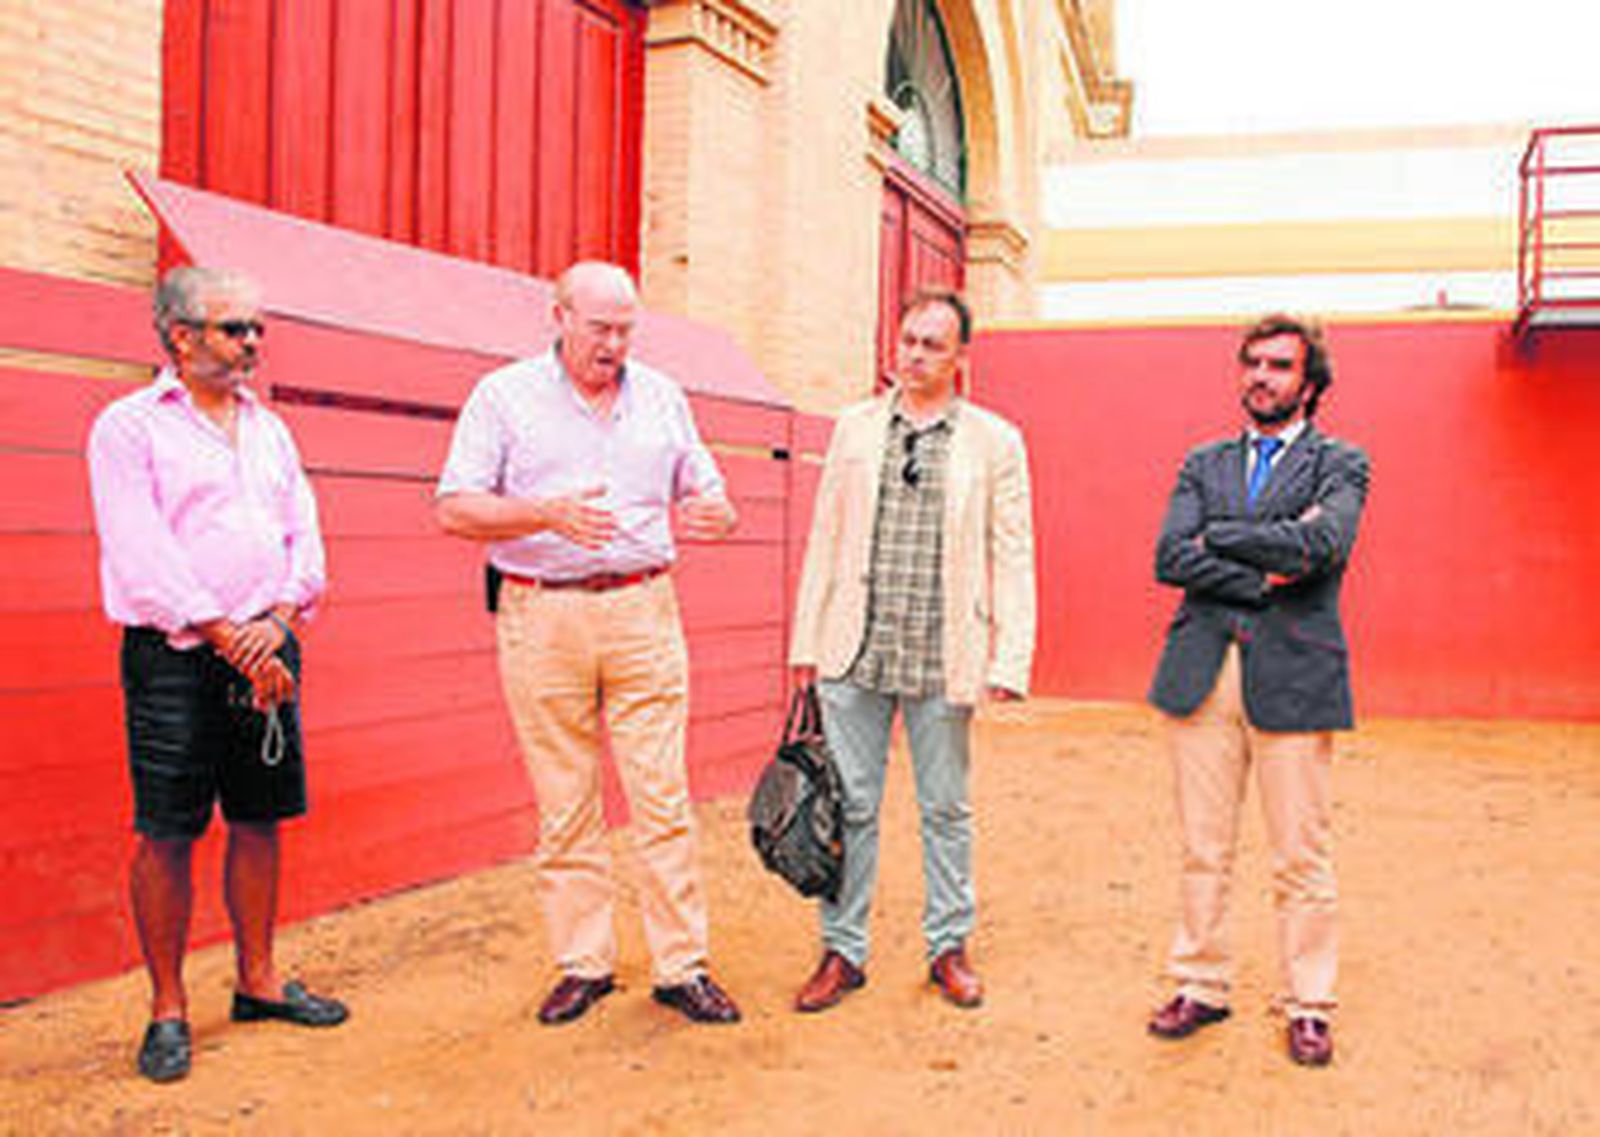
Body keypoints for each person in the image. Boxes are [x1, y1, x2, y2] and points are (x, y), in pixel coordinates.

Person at [435, 261, 742, 1026]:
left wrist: (718, 510)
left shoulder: (663, 396)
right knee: (564, 797)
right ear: (559, 316)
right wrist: (544, 515)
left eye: (626, 328)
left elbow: (706, 488)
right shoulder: (502, 396)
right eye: (600, 327)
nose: (615, 343)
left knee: (663, 795)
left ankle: (681, 966)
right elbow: (456, 509)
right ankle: (585, 962)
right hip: (542, 614)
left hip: (644, 607)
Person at [87, 267, 348, 1084]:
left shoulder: (269, 430)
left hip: (266, 646)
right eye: (235, 329)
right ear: (180, 335)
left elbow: (302, 533)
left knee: (261, 816)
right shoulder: (128, 428)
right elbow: (140, 549)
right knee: (168, 826)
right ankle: (168, 1007)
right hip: (176, 657)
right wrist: (227, 633)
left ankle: (258, 980)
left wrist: (275, 620)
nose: (252, 345)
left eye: (257, 330)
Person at [787, 288, 1036, 1012]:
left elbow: (1012, 553)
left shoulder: (996, 440)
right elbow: (825, 537)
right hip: (853, 646)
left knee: (946, 806)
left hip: (941, 648)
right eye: (907, 340)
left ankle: (948, 945)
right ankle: (842, 949)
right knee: (849, 803)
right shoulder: (855, 428)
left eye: (933, 344)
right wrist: (807, 641)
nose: (915, 355)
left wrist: (1008, 658)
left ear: (961, 357)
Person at [1145, 313, 1371, 1067]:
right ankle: (1200, 982)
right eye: (1251, 363)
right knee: (1202, 847)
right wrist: (1261, 555)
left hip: (1295, 674)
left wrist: (1220, 535)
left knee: (1301, 852)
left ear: (1310, 382)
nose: (1261, 377)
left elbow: (1322, 545)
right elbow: (1169, 555)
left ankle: (1309, 1000)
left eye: (1278, 365)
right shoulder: (1200, 460)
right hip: (1202, 671)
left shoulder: (1344, 462)